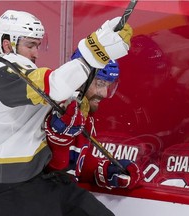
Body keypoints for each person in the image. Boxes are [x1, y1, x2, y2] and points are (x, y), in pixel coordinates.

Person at [0, 9, 133, 216]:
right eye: (30, 45)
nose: (36, 53)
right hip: (15, 186)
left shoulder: (15, 85)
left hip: (45, 180)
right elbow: (54, 85)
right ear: (7, 44)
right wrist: (97, 48)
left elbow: (57, 100)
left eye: (37, 45)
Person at [44, 49, 142, 191]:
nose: (104, 93)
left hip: (60, 195)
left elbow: (76, 165)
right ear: (80, 79)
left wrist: (105, 170)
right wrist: (59, 140)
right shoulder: (49, 108)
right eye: (100, 84)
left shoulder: (84, 115)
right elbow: (46, 173)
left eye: (109, 85)